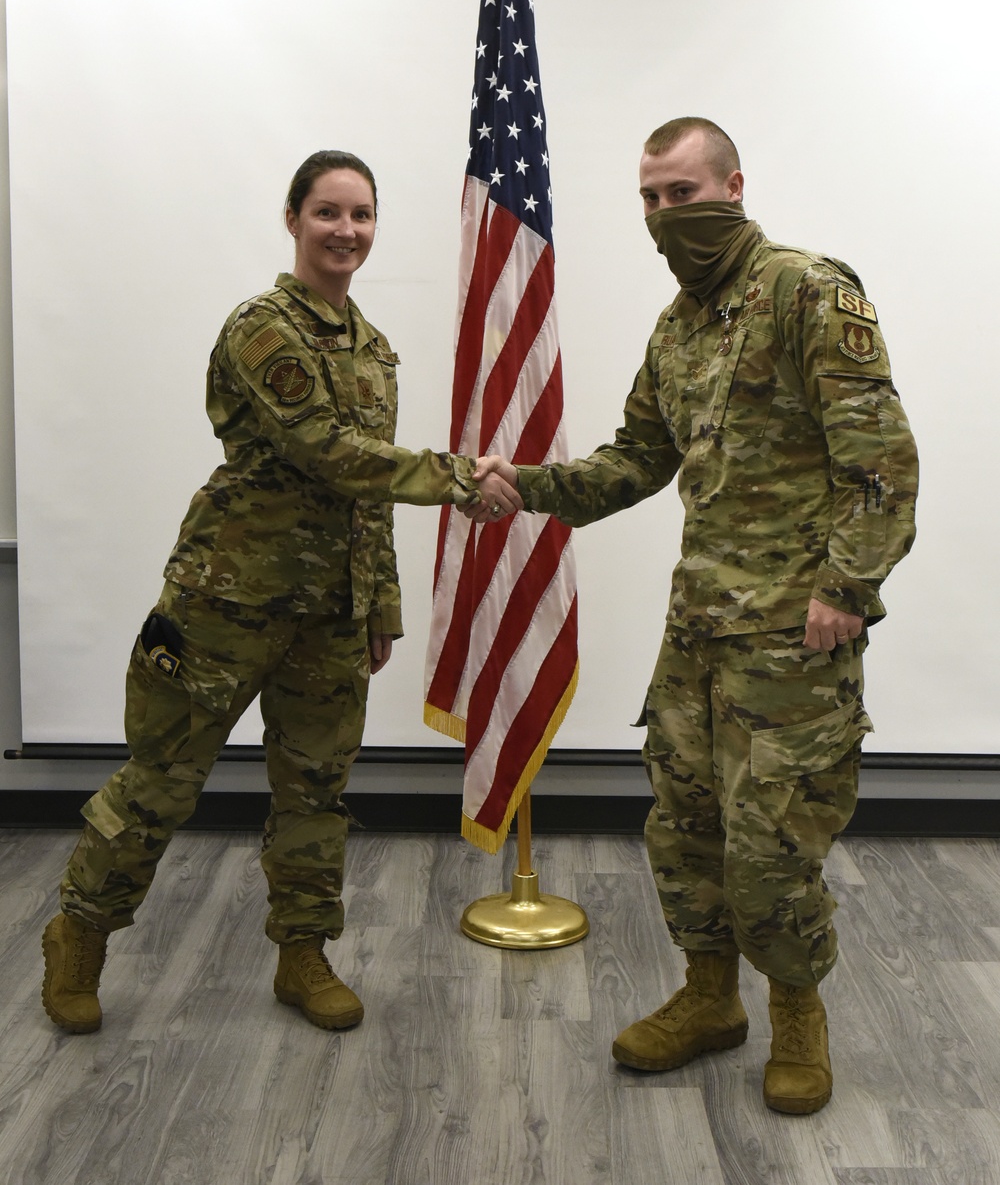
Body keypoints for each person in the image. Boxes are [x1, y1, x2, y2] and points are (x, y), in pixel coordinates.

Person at [472, 118, 918, 1114]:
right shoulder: (677, 326)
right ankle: (710, 998)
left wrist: (845, 592)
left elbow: (881, 460)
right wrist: (527, 486)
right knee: (685, 830)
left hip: (791, 638)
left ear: (733, 185)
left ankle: (797, 1016)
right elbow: (634, 460)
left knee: (769, 849)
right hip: (700, 629)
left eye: (682, 191)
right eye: (650, 198)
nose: (666, 214)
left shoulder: (807, 289)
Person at [41, 150, 521, 1036]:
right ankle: (80, 934)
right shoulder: (263, 329)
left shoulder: (373, 349)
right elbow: (327, 451)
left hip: (328, 619)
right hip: (225, 605)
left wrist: (378, 608)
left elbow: (363, 494)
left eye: (362, 216)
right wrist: (459, 478)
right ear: (294, 219)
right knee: (161, 785)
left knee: (315, 794)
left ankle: (303, 953)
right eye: (329, 213)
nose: (347, 232)